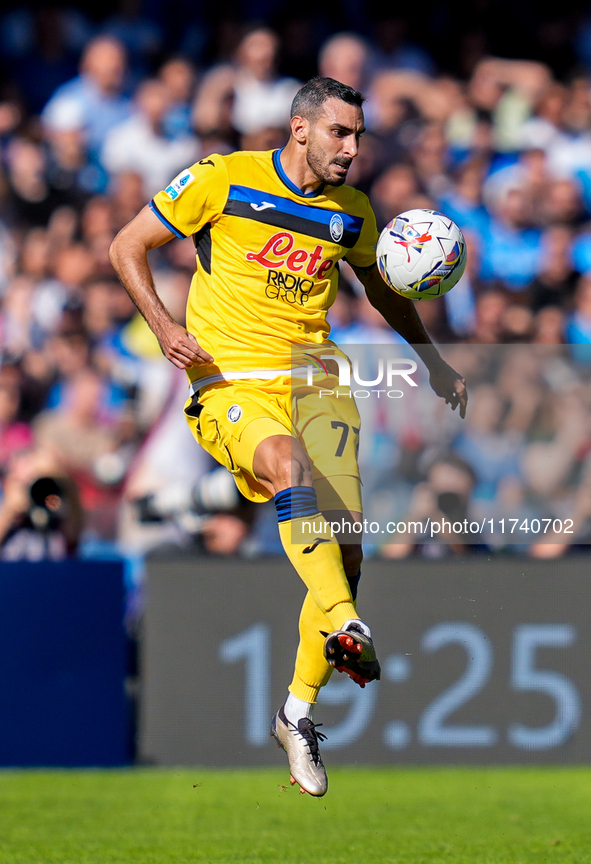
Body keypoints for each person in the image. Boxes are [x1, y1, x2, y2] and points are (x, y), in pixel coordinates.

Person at [109, 76, 467, 797]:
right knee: (285, 465)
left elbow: (382, 290)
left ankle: (296, 712)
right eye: (340, 133)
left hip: (318, 382)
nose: (351, 148)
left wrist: (431, 362)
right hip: (230, 381)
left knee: (347, 544)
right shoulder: (223, 179)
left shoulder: (353, 213)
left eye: (358, 136)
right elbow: (127, 246)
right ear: (300, 129)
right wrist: (165, 328)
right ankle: (347, 623)